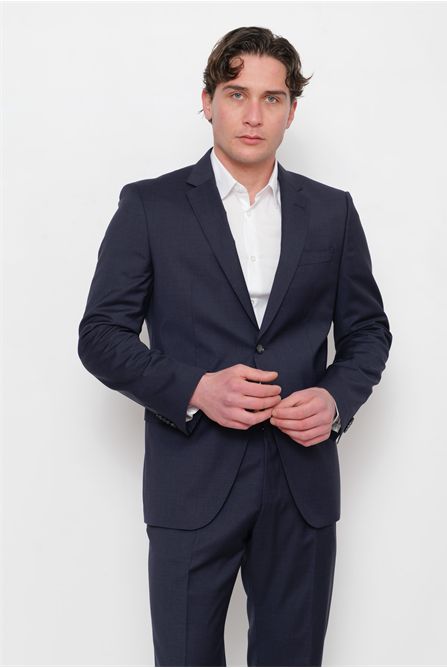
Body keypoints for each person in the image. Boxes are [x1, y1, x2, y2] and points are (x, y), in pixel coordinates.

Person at [78, 25, 392, 667]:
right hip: (191, 480)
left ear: (291, 110)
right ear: (208, 101)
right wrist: (196, 388)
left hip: (300, 485)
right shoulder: (150, 206)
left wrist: (334, 400)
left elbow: (368, 331)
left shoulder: (331, 212)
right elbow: (100, 336)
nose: (253, 115)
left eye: (272, 98)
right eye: (236, 94)